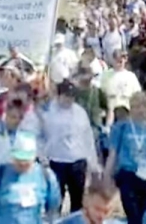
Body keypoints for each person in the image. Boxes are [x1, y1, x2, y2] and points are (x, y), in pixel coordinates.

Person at [38, 80, 101, 213]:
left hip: (77, 162)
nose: (69, 99)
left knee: (77, 202)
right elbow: (39, 136)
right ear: (59, 95)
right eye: (66, 95)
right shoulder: (47, 112)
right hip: (56, 161)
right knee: (54, 201)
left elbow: (87, 138)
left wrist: (93, 164)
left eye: (71, 96)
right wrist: (42, 158)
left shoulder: (80, 113)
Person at [0, 130, 61, 224]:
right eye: (19, 159)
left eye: (26, 159)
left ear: (34, 156)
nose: (22, 163)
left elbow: (53, 210)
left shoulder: (46, 176)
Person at [104, 92, 146, 224]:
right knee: (133, 216)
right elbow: (113, 154)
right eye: (136, 106)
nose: (140, 110)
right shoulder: (121, 127)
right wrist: (106, 177)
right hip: (127, 175)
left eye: (143, 106)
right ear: (131, 107)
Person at [100, 49, 141, 126]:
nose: (119, 63)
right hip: (109, 108)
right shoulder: (106, 75)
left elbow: (137, 95)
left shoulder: (130, 76)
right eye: (117, 61)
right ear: (113, 60)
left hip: (125, 109)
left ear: (125, 60)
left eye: (121, 60)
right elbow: (101, 92)